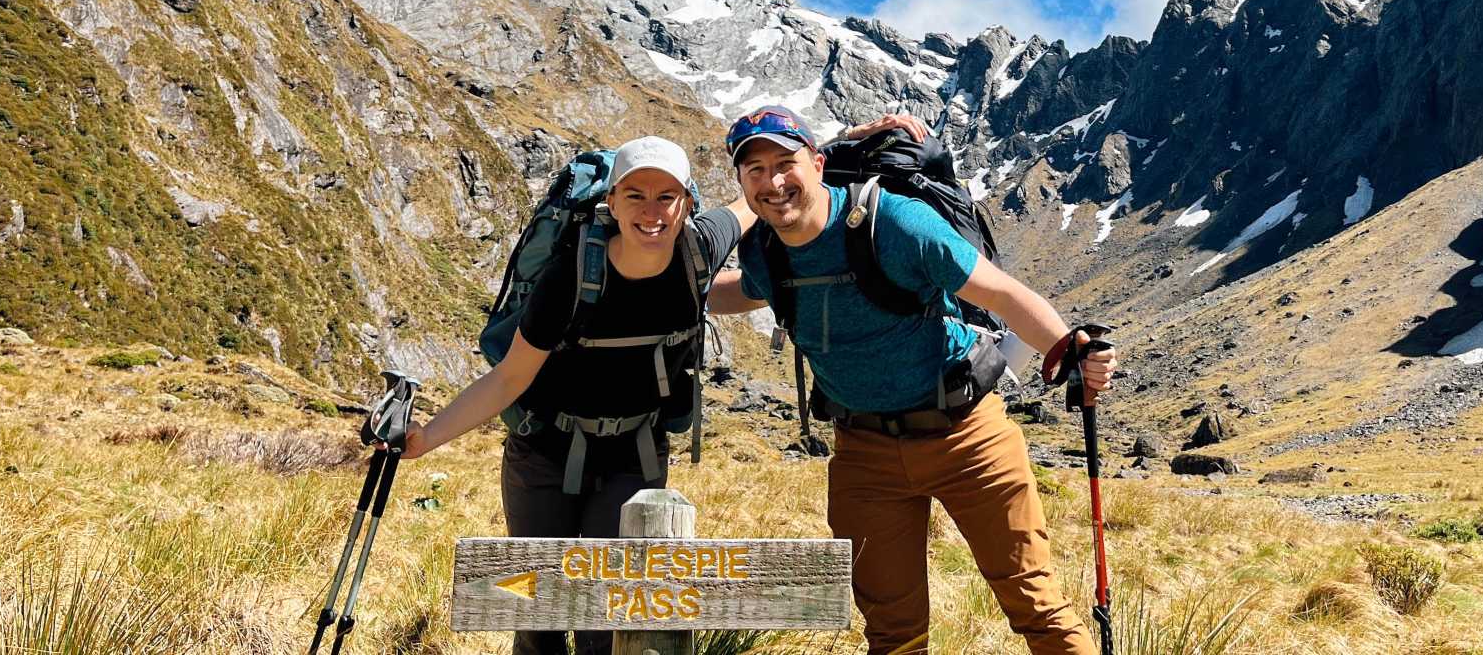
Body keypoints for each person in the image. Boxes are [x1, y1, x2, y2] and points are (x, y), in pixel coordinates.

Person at [709, 104, 1118, 655]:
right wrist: (666, 281)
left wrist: (1069, 349)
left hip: (968, 436)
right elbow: (744, 291)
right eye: (755, 170)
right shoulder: (764, 251)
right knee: (893, 634)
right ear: (741, 181)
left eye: (786, 164)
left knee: (1037, 607)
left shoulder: (896, 223)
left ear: (818, 164)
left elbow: (1001, 293)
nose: (773, 182)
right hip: (863, 454)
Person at [393, 136, 750, 655]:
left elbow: (758, 200)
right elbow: (509, 379)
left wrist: (833, 157)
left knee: (608, 618)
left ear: (687, 204)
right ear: (612, 201)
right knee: (536, 613)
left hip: (634, 456)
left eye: (666, 197)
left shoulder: (702, 246)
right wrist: (425, 439)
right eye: (635, 195)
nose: (652, 212)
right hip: (544, 451)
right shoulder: (571, 273)